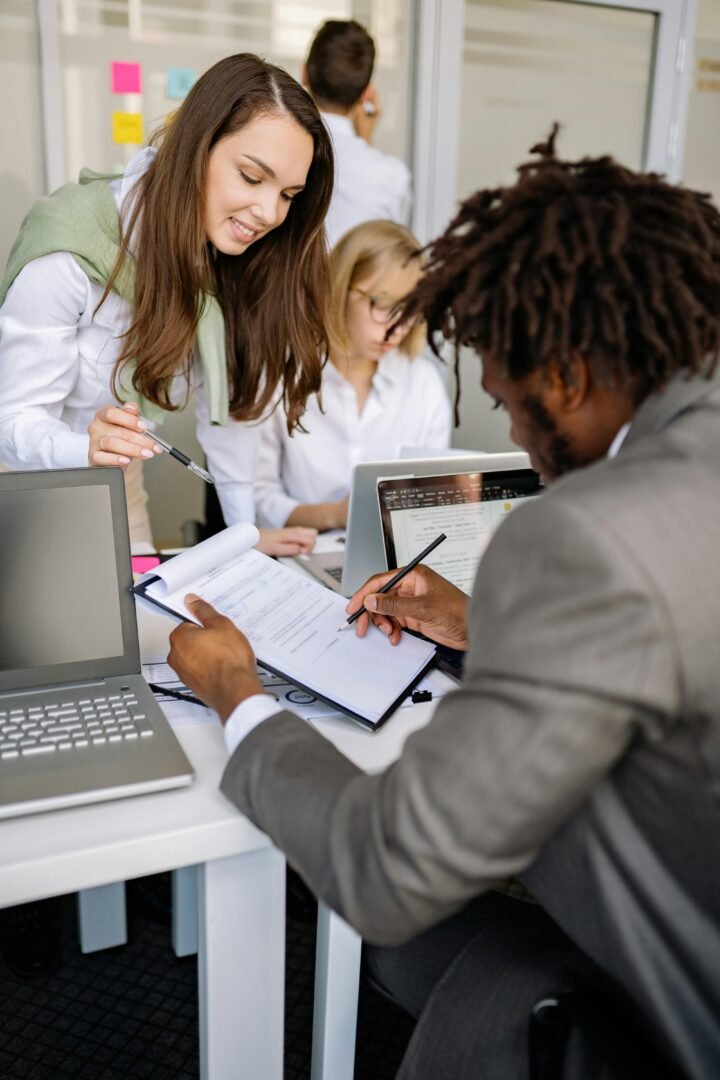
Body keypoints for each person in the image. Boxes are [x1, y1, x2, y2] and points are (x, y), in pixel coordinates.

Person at [167, 128, 720, 1078]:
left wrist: (238, 694)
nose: (509, 434)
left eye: (506, 405)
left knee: (413, 941)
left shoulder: (587, 535)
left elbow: (388, 867)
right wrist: (480, 622)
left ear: (570, 379)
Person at [0, 53, 337, 555]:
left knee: (145, 627)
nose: (270, 213)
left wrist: (243, 537)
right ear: (195, 148)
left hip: (120, 482)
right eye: (250, 177)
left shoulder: (235, 253)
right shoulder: (71, 248)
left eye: (288, 194)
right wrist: (85, 448)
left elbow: (228, 419)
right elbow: (11, 421)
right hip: (29, 485)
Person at [254, 219, 451, 531]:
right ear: (339, 288)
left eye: (410, 308)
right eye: (382, 304)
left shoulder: (423, 384)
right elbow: (258, 499)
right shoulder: (281, 378)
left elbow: (434, 498)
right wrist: (335, 515)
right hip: (306, 553)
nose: (397, 327)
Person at [303, 19, 412, 247]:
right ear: (366, 94)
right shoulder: (392, 177)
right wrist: (365, 141)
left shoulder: (283, 149)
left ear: (305, 74)